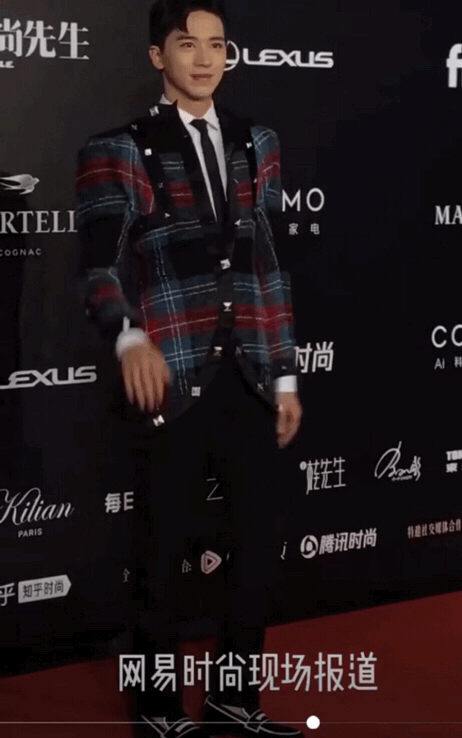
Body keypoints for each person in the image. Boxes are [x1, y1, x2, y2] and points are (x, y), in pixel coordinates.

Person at [76, 1, 303, 736]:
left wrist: (284, 375)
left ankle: (235, 699)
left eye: (216, 45)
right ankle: (155, 707)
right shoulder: (117, 149)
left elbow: (267, 263)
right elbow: (96, 267)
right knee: (160, 552)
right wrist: (126, 338)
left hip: (248, 376)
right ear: (158, 56)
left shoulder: (257, 142)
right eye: (187, 44)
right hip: (168, 376)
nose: (204, 59)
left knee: (256, 551)